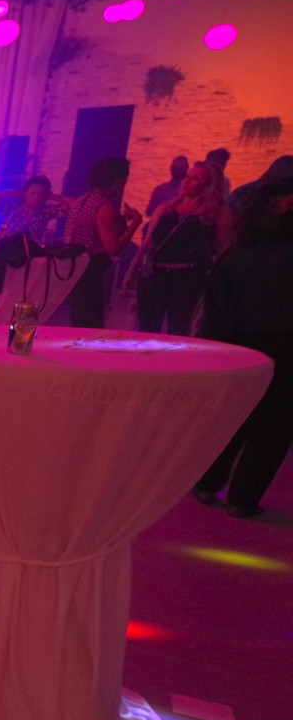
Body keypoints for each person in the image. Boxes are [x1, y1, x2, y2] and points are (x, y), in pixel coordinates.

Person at [194, 180, 293, 517]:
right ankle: (243, 499)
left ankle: (206, 484)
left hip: (237, 347)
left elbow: (216, 313)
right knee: (274, 426)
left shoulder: (235, 257)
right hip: (286, 348)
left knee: (230, 418)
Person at [133, 161, 226, 335]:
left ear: (209, 185)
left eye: (196, 179)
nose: (187, 181)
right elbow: (147, 244)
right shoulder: (165, 209)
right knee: (147, 329)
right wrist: (130, 274)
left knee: (178, 329)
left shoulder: (212, 214)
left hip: (187, 278)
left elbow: (223, 251)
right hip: (154, 274)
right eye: (188, 176)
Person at [63, 158, 142, 328]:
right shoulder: (103, 206)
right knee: (90, 323)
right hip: (90, 269)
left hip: (74, 266)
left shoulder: (82, 200)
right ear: (116, 180)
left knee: (78, 319)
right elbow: (112, 248)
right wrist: (135, 223)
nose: (125, 182)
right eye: (125, 178)